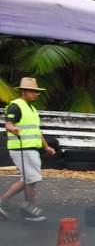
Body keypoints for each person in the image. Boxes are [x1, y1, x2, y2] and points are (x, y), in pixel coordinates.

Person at [0, 77, 56, 222]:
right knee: (31, 178)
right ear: (24, 92)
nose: (36, 94)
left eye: (36, 92)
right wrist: (12, 129)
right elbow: (8, 124)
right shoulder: (15, 106)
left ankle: (3, 201)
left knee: (28, 179)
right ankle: (29, 209)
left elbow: (36, 130)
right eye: (33, 91)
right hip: (21, 148)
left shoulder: (31, 109)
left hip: (30, 148)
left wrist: (46, 146)